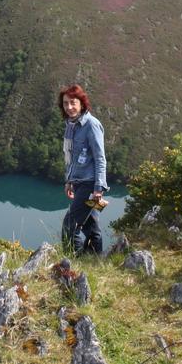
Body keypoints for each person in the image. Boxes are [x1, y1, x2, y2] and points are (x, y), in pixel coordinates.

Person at [59, 84, 108, 255]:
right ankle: (96, 261)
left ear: (81, 103)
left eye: (73, 103)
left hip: (90, 185)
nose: (69, 107)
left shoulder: (91, 125)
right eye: (66, 103)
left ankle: (73, 263)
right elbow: (72, 157)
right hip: (79, 183)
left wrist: (98, 188)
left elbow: (100, 158)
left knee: (69, 225)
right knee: (91, 226)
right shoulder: (71, 125)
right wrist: (69, 181)